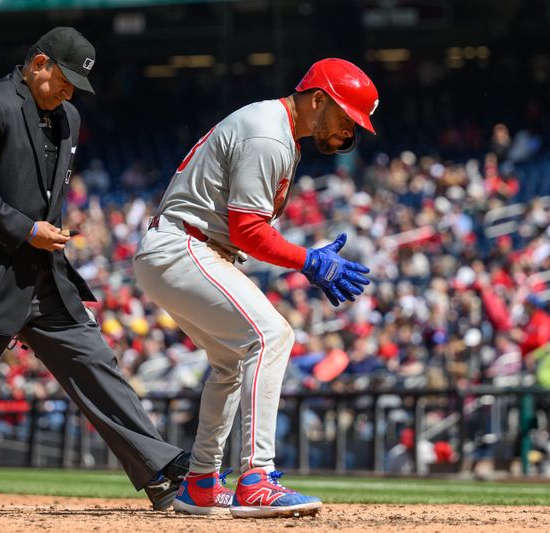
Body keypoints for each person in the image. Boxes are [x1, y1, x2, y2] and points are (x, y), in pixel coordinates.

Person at [0, 27, 189, 513]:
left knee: (95, 363)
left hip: (43, 277)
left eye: (76, 88)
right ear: (39, 63)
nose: (68, 93)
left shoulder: (69, 117)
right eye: (63, 80)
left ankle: (160, 472)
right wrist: (27, 228)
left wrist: (48, 234)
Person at [134, 58, 377, 517]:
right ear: (318, 99)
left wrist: (308, 260)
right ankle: (256, 479)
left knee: (229, 362)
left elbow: (246, 231)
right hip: (184, 247)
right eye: (347, 117)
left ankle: (202, 482)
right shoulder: (269, 132)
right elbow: (247, 230)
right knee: (272, 335)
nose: (350, 132)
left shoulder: (278, 132)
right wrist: (309, 261)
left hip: (184, 247)